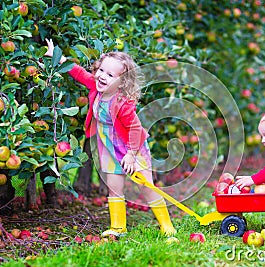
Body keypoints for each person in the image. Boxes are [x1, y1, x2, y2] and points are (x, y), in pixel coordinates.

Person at [45, 39, 176, 237]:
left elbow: (134, 128)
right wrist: (58, 57)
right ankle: (118, 227)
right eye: (101, 70)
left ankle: (167, 226)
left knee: (147, 187)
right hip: (110, 149)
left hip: (132, 149)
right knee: (114, 188)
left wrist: (132, 155)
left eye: (110, 74)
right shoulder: (96, 88)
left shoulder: (123, 103)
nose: (102, 76)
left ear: (122, 83)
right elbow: (79, 73)